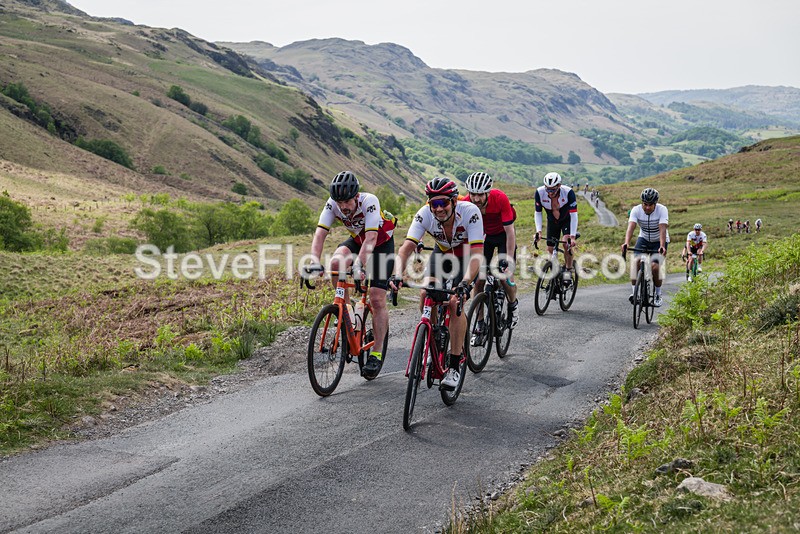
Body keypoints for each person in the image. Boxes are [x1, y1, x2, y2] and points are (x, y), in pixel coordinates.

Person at [389, 177, 484, 390]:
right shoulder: (424, 214)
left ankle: (454, 366)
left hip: (468, 256)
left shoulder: (470, 212)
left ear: (454, 201)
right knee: (426, 294)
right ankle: (434, 337)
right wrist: (397, 274)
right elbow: (405, 249)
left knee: (454, 301)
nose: (439, 209)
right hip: (443, 254)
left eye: (444, 203)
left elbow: (478, 254)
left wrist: (466, 283)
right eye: (435, 204)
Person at [308, 171, 396, 377]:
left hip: (381, 243)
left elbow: (372, 239)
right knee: (336, 262)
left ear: (356, 196)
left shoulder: (369, 201)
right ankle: (346, 313)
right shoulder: (332, 204)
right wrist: (313, 261)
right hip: (358, 240)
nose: (344, 207)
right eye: (340, 203)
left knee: (376, 297)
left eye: (347, 201)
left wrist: (359, 266)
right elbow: (320, 233)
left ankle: (377, 352)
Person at [463, 171, 519, 329]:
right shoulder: (467, 203)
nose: (476, 199)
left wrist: (508, 260)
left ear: (487, 192)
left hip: (503, 236)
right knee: (479, 279)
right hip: (484, 238)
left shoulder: (500, 198)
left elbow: (510, 232)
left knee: (504, 275)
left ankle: (513, 304)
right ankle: (480, 322)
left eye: (480, 195)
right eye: (473, 194)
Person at [621, 187, 669, 307]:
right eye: (645, 204)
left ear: (655, 204)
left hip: (658, 240)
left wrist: (662, 246)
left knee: (655, 267)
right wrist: (626, 243)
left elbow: (662, 229)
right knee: (635, 263)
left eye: (650, 205)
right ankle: (634, 293)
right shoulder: (636, 210)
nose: (647, 207)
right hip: (644, 238)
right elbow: (631, 227)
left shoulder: (662, 210)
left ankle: (658, 294)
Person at [534, 172, 578, 281]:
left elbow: (574, 215)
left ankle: (568, 270)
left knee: (566, 243)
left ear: (559, 186)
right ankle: (555, 274)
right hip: (552, 221)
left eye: (552, 189)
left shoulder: (568, 192)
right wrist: (538, 231)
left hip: (566, 220)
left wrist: (572, 236)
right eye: (547, 189)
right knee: (550, 248)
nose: (550, 192)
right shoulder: (540, 193)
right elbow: (538, 213)